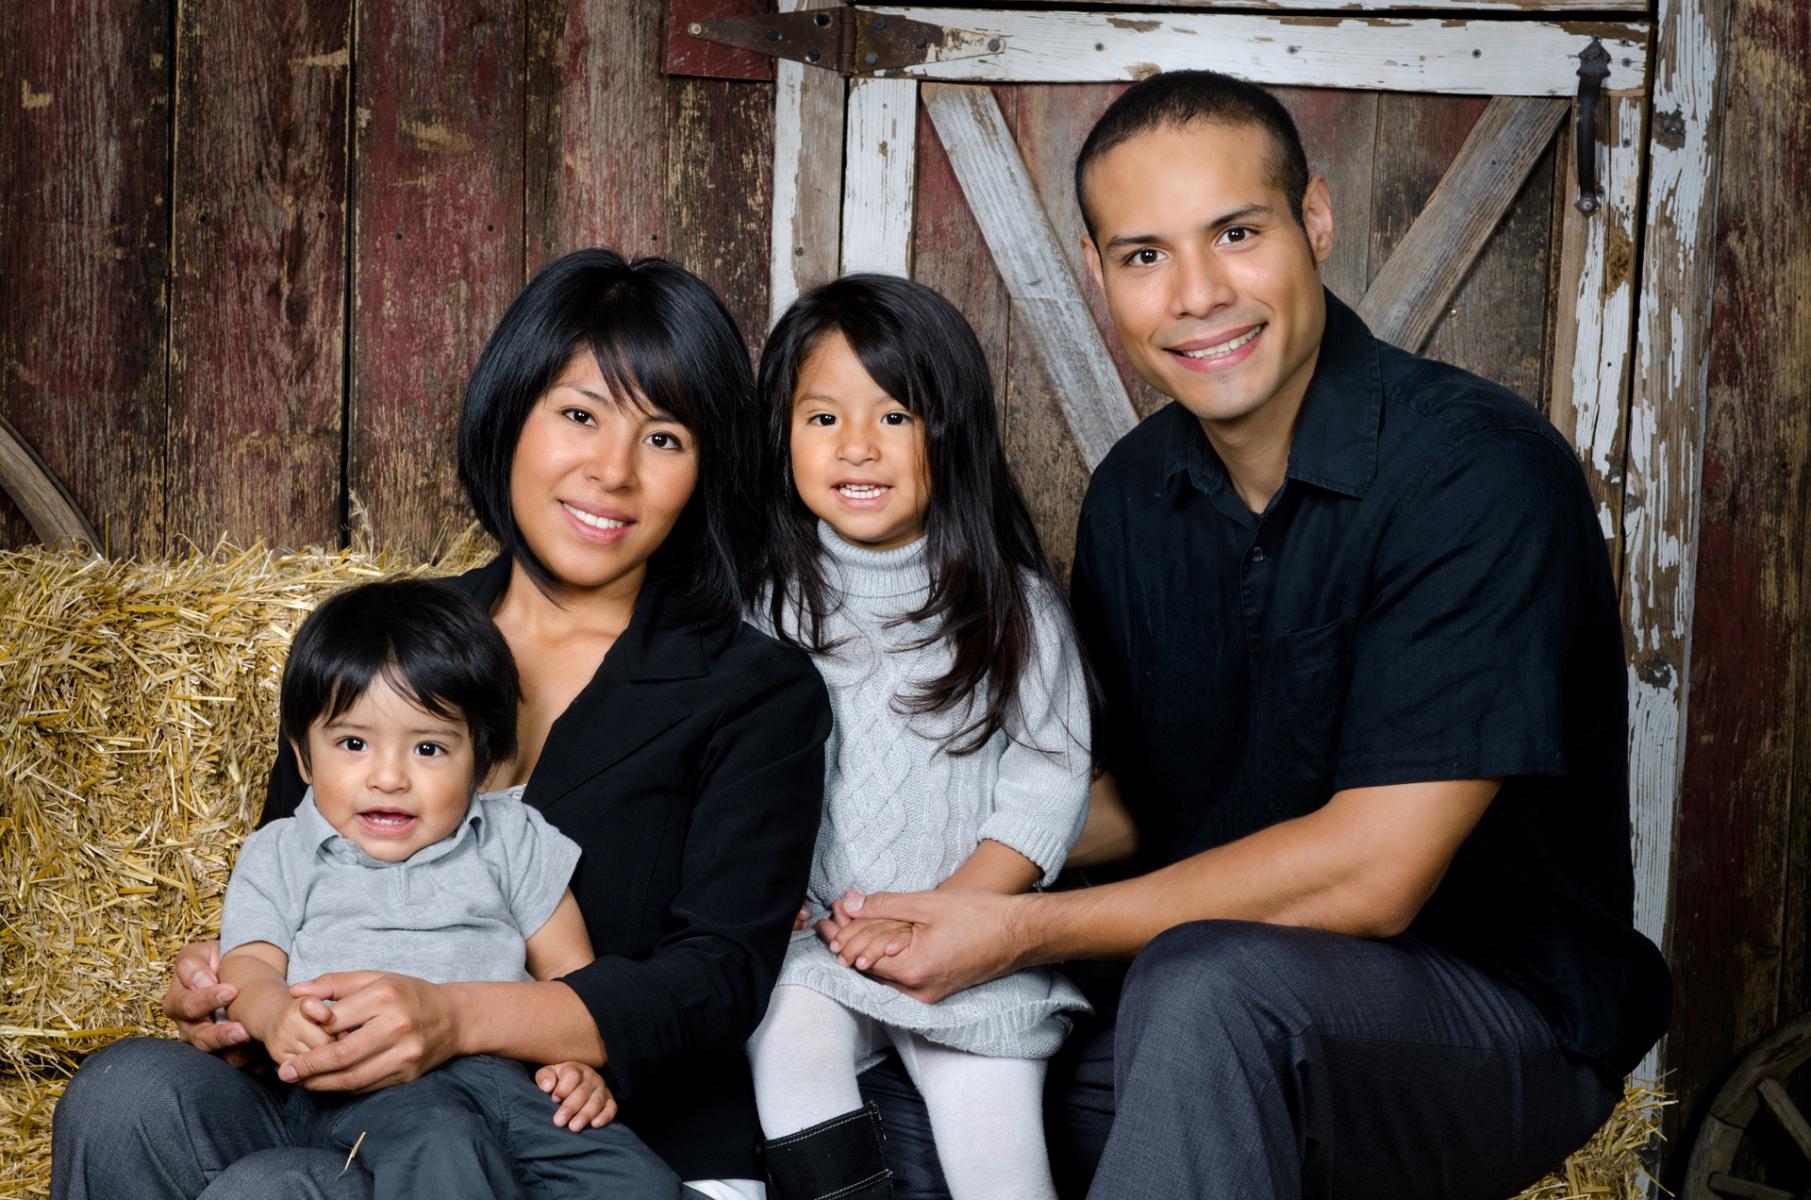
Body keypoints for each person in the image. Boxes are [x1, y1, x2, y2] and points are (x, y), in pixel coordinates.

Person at [835, 71, 1674, 1199]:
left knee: (1209, 988)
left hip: (1491, 1017)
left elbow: (1374, 877)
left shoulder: (1475, 470)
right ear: (1095, 272)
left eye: (1235, 233)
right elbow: (1108, 805)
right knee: (883, 1093)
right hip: (1199, 1009)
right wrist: (863, 886)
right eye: (1143, 255)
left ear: (1312, 220)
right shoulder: (1131, 498)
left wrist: (1018, 932)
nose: (1196, 294)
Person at [51, 248, 832, 1200]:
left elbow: (717, 979)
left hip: (580, 1130)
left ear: (706, 469)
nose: (612, 472)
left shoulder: (754, 690)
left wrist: (454, 1016)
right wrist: (237, 999)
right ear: (512, 413)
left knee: (279, 1189)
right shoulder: (385, 644)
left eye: (663, 437)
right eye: (579, 415)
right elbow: (298, 868)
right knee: (125, 1094)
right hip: (337, 1107)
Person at [742, 275, 1093, 1200]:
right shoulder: (763, 606)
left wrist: (952, 911)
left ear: (952, 433)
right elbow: (737, 773)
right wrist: (766, 889)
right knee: (785, 1044)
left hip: (971, 941)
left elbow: (1049, 781)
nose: (856, 445)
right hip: (821, 944)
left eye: (894, 416)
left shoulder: (1013, 608)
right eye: (822, 418)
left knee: (997, 1153)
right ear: (780, 436)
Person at [214, 576, 679, 1198]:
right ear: (303, 756)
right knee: (443, 1148)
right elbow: (247, 965)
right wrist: (274, 1015)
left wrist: (574, 1063)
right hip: (366, 1089)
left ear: (480, 764)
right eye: (353, 743)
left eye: (429, 748)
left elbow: (572, 976)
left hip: (512, 1084)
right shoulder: (280, 852)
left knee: (638, 1180)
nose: (388, 778)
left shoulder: (513, 838)